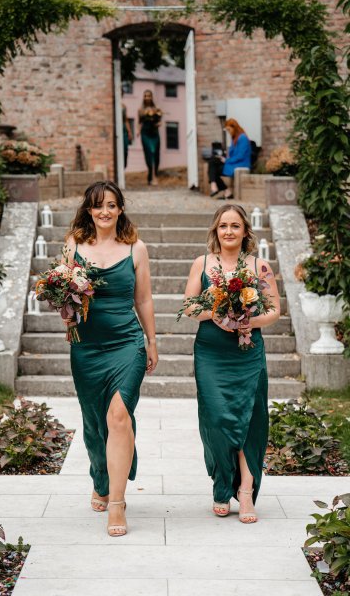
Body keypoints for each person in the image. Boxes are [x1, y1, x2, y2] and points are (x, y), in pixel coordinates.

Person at [62, 180, 158, 537]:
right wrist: (65, 310)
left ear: (120, 209)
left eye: (112, 205)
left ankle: (116, 503)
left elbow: (144, 299)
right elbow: (64, 292)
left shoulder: (136, 248)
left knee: (118, 416)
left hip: (126, 343)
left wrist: (150, 341)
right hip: (86, 345)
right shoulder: (73, 245)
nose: (105, 211)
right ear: (89, 210)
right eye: (99, 205)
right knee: (94, 423)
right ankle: (100, 477)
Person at [183, 204, 280, 523]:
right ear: (215, 230)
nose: (228, 231)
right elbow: (190, 308)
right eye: (223, 225)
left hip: (247, 352)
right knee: (216, 420)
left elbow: (274, 311)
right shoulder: (203, 263)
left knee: (248, 420)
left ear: (245, 232)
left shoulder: (259, 266)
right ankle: (221, 485)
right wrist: (219, 313)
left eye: (235, 226)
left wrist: (248, 321)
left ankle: (246, 492)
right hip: (211, 351)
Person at [208, 118, 251, 199]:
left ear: (234, 127)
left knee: (214, 168)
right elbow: (231, 153)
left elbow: (240, 156)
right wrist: (225, 156)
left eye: (229, 129)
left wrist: (226, 160)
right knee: (213, 161)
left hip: (240, 164)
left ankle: (218, 187)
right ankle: (218, 187)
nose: (228, 132)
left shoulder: (243, 138)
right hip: (233, 163)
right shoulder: (234, 138)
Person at [138, 90, 162, 186]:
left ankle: (155, 174)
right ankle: (150, 175)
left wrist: (159, 124)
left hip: (155, 134)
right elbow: (139, 122)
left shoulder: (157, 109)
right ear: (143, 97)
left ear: (151, 97)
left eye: (149, 96)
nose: (147, 97)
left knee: (156, 155)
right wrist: (137, 131)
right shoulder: (140, 110)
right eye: (145, 96)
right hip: (145, 134)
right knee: (148, 154)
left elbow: (159, 121)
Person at [122, 100, 132, 168]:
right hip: (115, 130)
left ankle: (123, 167)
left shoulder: (123, 106)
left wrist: (129, 132)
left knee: (125, 150)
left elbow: (126, 120)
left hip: (123, 130)